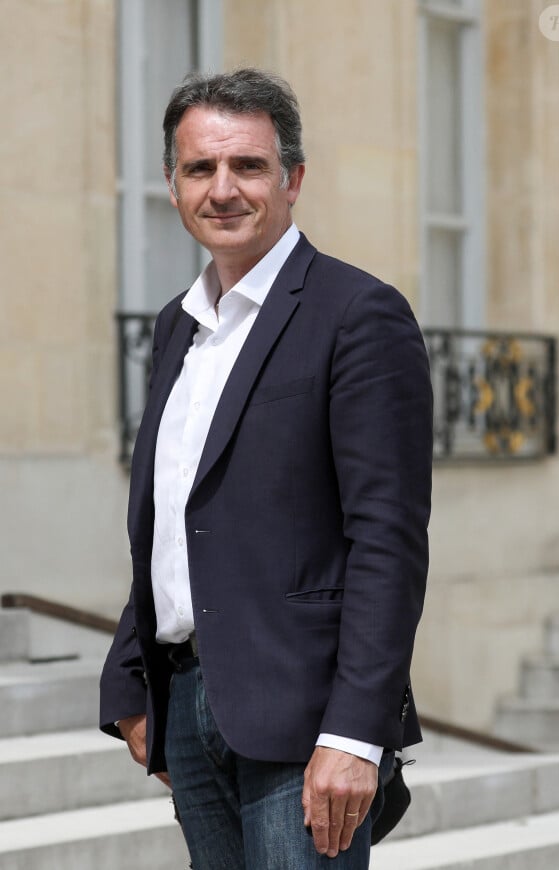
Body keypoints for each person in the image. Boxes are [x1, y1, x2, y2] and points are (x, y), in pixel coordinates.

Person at [100, 67, 432, 869]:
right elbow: (177, 513)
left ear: (293, 180)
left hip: (306, 720)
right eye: (199, 168)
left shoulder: (357, 315)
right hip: (186, 705)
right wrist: (130, 681)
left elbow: (386, 540)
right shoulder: (177, 330)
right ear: (173, 185)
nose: (223, 189)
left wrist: (357, 732)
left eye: (247, 166)